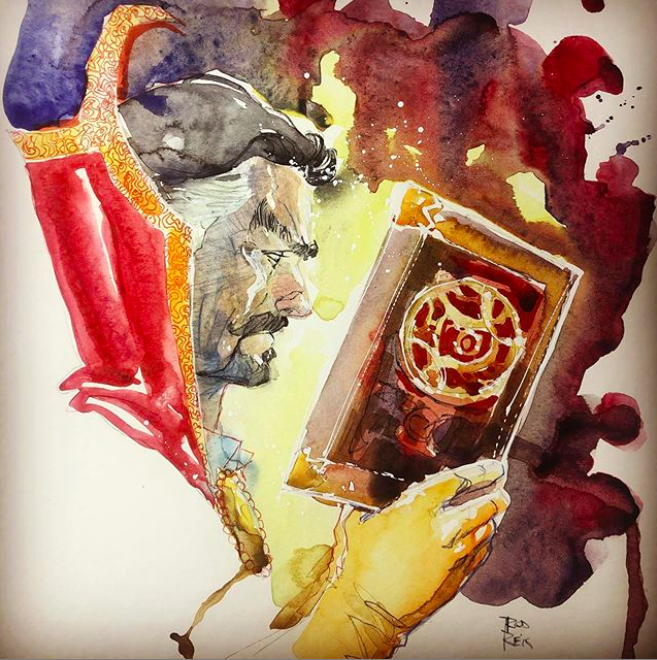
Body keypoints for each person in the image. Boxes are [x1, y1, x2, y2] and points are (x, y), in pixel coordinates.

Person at [118, 69, 510, 659]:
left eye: (298, 258)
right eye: (264, 251)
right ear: (157, 254)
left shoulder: (215, 476)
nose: (298, 300)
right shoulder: (115, 474)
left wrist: (347, 579)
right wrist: (362, 616)